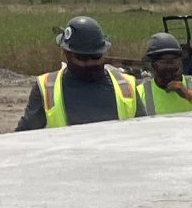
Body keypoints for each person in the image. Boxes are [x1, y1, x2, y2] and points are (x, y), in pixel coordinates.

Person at [14, 16, 148, 130]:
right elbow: (24, 138)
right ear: (66, 53)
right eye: (82, 58)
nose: (89, 63)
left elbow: (144, 134)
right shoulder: (47, 88)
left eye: (95, 57)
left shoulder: (126, 86)